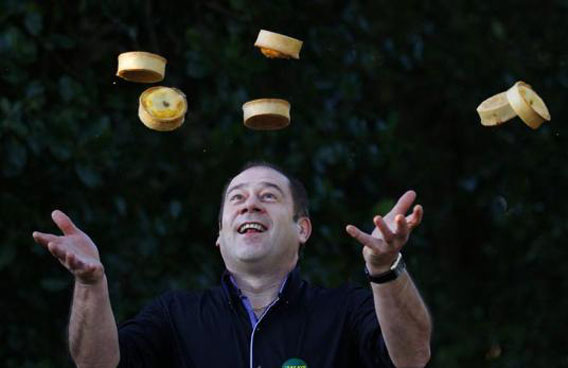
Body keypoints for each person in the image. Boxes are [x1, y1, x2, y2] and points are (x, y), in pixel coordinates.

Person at [33, 161, 432, 368]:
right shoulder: (175, 316)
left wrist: (386, 266)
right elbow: (98, 365)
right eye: (237, 198)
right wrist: (90, 283)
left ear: (302, 228)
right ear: (221, 235)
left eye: (269, 196)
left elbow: (412, 358)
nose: (251, 203)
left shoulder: (345, 310)